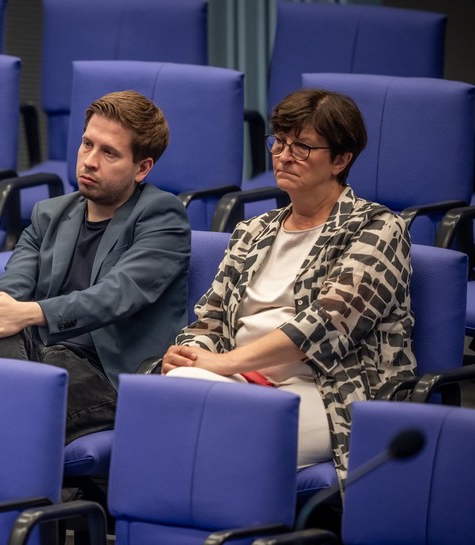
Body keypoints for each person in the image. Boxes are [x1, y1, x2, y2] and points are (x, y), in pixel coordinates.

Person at [161, 88, 416, 483]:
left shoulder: (378, 228)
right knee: (171, 391)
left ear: (341, 160)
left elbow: (327, 323)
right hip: (242, 382)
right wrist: (193, 353)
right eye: (279, 142)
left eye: (301, 147)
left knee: (217, 439)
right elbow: (209, 320)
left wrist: (224, 363)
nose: (283, 156)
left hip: (328, 391)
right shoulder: (253, 230)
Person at [0, 90, 191, 444]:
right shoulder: (49, 213)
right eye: (87, 144)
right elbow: (16, 279)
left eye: (109, 152)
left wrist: (28, 313)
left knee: (9, 401)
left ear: (142, 168)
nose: (90, 161)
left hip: (106, 373)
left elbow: (115, 296)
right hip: (40, 355)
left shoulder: (163, 216)